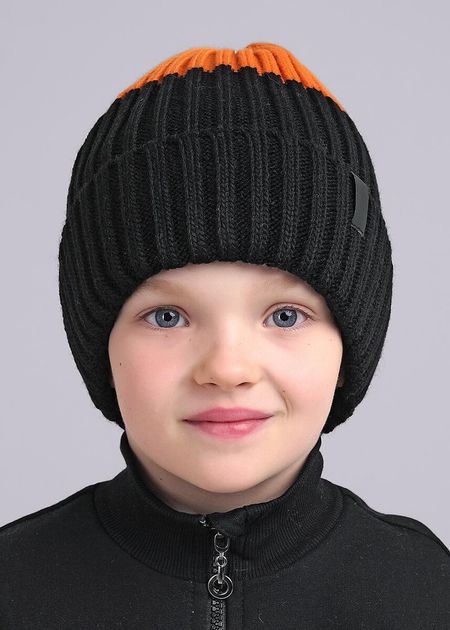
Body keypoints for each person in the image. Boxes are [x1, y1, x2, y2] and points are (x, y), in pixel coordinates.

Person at [1, 42, 448, 629]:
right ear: (100, 345)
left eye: (285, 316)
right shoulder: (15, 586)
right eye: (168, 317)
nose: (228, 368)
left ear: (350, 344)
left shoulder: (427, 593)